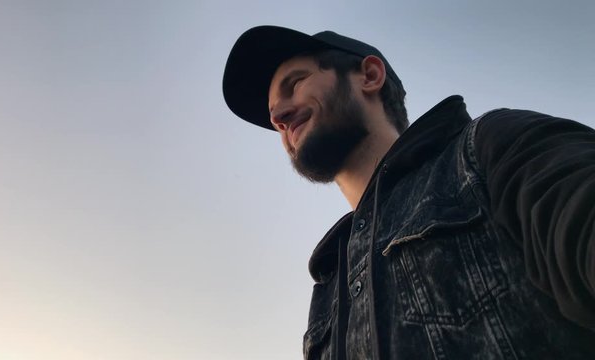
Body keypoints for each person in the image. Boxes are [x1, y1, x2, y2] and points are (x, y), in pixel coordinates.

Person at [222, 25, 595, 359]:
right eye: (273, 115)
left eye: (295, 83)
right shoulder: (327, 287)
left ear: (369, 75)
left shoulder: (487, 149)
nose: (279, 118)